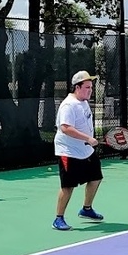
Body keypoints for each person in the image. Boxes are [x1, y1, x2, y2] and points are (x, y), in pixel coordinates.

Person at [52, 70, 105, 230]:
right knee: (68, 186)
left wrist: (88, 141)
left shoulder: (83, 101)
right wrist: (88, 139)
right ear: (77, 87)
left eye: (91, 87)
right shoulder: (69, 105)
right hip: (68, 152)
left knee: (96, 178)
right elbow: (66, 128)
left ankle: (86, 209)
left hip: (85, 151)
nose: (90, 90)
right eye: (87, 87)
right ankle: (58, 218)